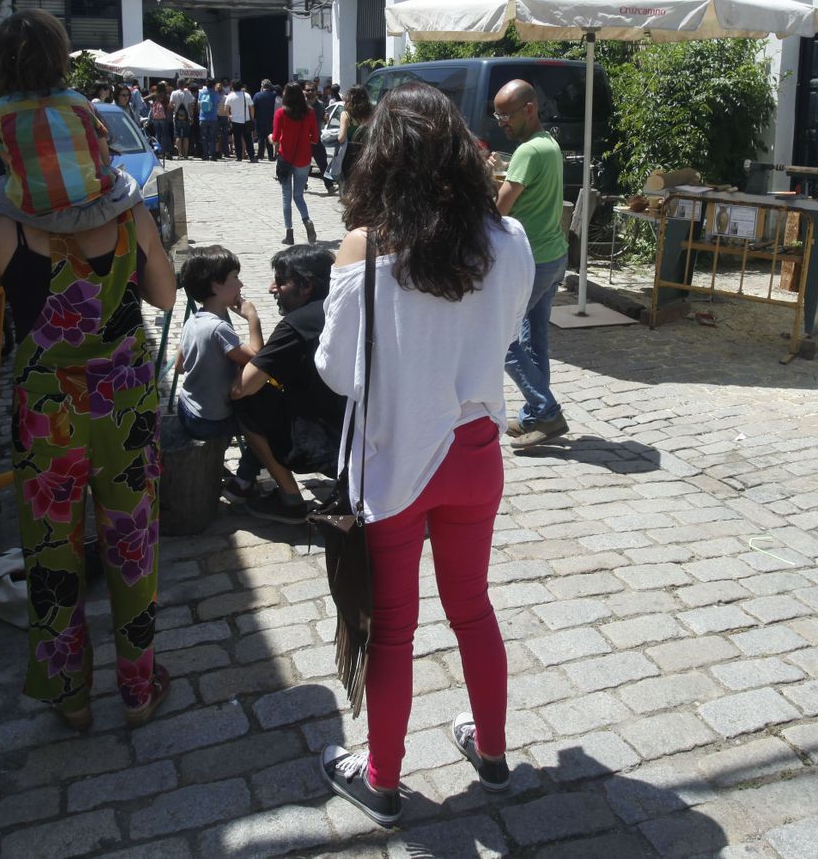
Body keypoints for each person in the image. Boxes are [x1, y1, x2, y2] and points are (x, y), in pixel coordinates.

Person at [314, 81, 534, 826]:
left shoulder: (365, 249)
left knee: (395, 628)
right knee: (472, 606)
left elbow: (338, 372)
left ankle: (381, 778)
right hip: (475, 450)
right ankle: (494, 751)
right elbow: (505, 334)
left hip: (397, 457)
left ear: (383, 159)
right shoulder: (507, 241)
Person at [0, 129, 178, 733]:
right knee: (132, 546)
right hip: (123, 404)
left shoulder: (2, 225)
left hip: (47, 410)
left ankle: (69, 696)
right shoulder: (129, 215)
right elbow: (164, 294)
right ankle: (137, 688)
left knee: (51, 553)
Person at [0, 11, 135, 235]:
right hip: (92, 206)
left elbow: (10, 163)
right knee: (128, 182)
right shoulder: (78, 103)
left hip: (33, 211)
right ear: (59, 58)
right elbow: (102, 157)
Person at [225, 244, 345, 524]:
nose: (271, 288)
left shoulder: (296, 325)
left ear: (305, 286)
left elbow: (242, 387)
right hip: (360, 434)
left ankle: (290, 499)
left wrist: (253, 319)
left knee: (245, 401)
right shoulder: (344, 309)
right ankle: (247, 477)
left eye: (280, 281)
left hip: (323, 440)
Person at [493, 79, 570, 449]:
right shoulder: (549, 145)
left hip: (530, 261)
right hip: (553, 255)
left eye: (507, 114)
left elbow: (498, 210)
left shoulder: (527, 152)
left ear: (530, 109)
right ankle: (531, 417)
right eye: (497, 115)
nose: (501, 121)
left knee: (500, 339)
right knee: (534, 339)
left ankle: (548, 412)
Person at [174, 246, 264, 476]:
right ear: (216, 284)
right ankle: (244, 480)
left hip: (186, 409)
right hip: (210, 420)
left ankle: (215, 464)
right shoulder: (219, 328)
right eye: (235, 277)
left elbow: (179, 366)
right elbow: (257, 359)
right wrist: (253, 318)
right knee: (266, 431)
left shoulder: (193, 320)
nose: (241, 284)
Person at [271, 82, 318, 245]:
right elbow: (315, 138)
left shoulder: (280, 113)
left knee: (286, 197)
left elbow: (275, 138)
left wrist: (271, 138)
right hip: (303, 159)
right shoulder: (310, 113)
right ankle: (307, 221)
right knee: (299, 196)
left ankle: (289, 234)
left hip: (286, 158)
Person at [327, 84, 372, 190]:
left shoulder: (346, 115)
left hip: (350, 154)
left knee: (347, 185)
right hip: (366, 152)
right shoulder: (370, 114)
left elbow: (341, 138)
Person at [226, 81, 256, 163]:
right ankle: (252, 156)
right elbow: (251, 107)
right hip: (246, 120)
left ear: (232, 87)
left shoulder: (230, 96)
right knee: (248, 139)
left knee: (237, 139)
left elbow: (226, 108)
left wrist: (229, 116)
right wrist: (252, 118)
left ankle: (239, 156)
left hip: (235, 121)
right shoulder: (246, 95)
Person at [253, 79, 278, 161]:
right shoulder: (274, 95)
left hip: (260, 119)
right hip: (271, 119)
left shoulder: (257, 95)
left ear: (262, 86)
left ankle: (260, 155)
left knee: (260, 138)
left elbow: (254, 107)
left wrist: (253, 117)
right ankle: (271, 155)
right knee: (269, 138)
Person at [171, 80, 195, 159]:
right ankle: (185, 154)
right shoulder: (188, 93)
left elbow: (171, 104)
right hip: (186, 117)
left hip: (177, 117)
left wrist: (175, 108)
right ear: (184, 85)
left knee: (177, 135)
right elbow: (191, 105)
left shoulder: (174, 93)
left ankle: (180, 154)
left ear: (177, 84)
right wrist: (191, 116)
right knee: (186, 136)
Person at [198, 79, 220, 160]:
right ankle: (212, 155)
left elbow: (199, 103)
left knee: (204, 137)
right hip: (213, 118)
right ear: (214, 85)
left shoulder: (201, 92)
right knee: (212, 137)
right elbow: (218, 102)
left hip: (203, 117)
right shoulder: (215, 94)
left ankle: (205, 155)